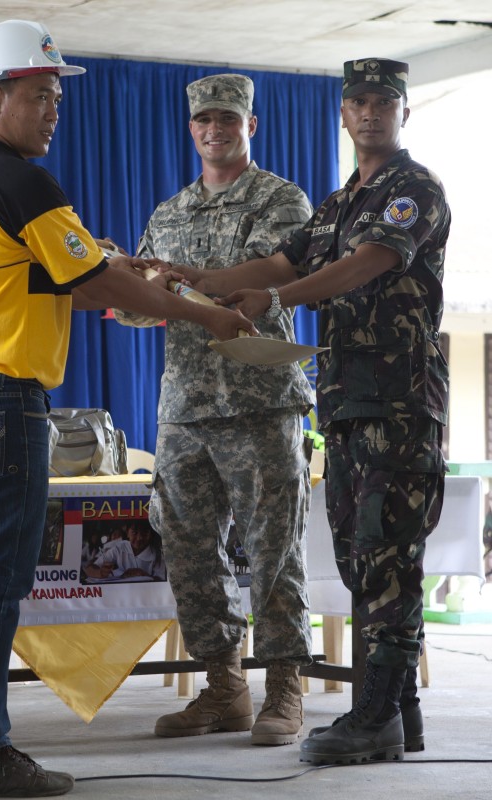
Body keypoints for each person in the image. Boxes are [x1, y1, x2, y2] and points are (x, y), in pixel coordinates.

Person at [0, 20, 256, 798]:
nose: (54, 109)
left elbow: (17, 274)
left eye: (58, 95)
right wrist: (207, 316)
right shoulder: (23, 179)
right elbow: (93, 286)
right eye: (40, 94)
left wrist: (109, 260)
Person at [172, 58, 450, 765]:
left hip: (398, 399)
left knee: (388, 556)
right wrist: (199, 282)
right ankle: (398, 715)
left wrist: (275, 302)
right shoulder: (334, 205)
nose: (369, 111)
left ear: (403, 113)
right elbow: (280, 262)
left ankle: (377, 714)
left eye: (384, 101)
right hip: (347, 401)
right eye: (356, 101)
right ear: (343, 114)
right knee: (364, 560)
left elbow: (369, 262)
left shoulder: (410, 189)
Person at [114, 73, 315, 746]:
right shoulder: (168, 213)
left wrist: (186, 287)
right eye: (203, 119)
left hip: (260, 405)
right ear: (191, 127)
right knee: (190, 552)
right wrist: (129, 294)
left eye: (227, 118)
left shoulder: (281, 200)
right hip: (185, 409)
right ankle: (224, 687)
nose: (213, 128)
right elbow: (151, 309)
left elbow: (275, 275)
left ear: (250, 126)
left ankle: (284, 688)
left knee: (272, 551)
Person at [84, 520, 166, 581]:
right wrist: (101, 573)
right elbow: (90, 569)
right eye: (134, 532)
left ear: (151, 534)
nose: (139, 538)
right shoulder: (119, 548)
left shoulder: (158, 554)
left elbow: (162, 580)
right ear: (127, 533)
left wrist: (144, 575)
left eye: (145, 533)